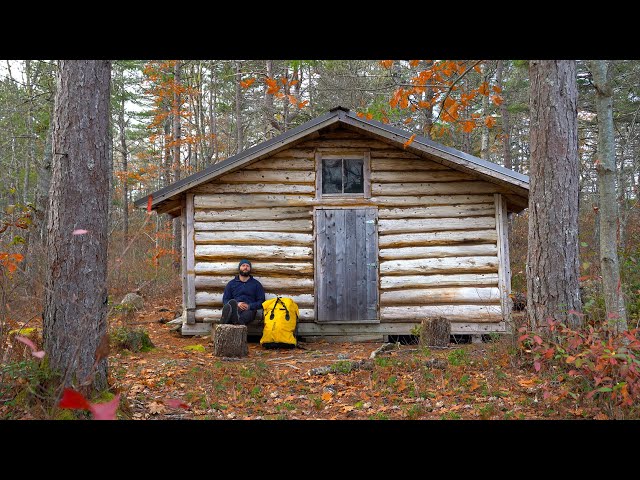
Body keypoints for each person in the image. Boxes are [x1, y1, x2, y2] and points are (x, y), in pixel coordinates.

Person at [220, 259, 266, 325]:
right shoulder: (231, 284)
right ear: (239, 268)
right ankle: (232, 316)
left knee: (244, 317)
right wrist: (237, 304)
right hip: (235, 309)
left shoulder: (256, 284)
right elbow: (225, 300)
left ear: (250, 269)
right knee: (232, 309)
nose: (245, 267)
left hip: (250, 310)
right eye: (243, 265)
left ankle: (229, 320)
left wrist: (249, 306)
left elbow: (262, 301)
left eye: (247, 266)